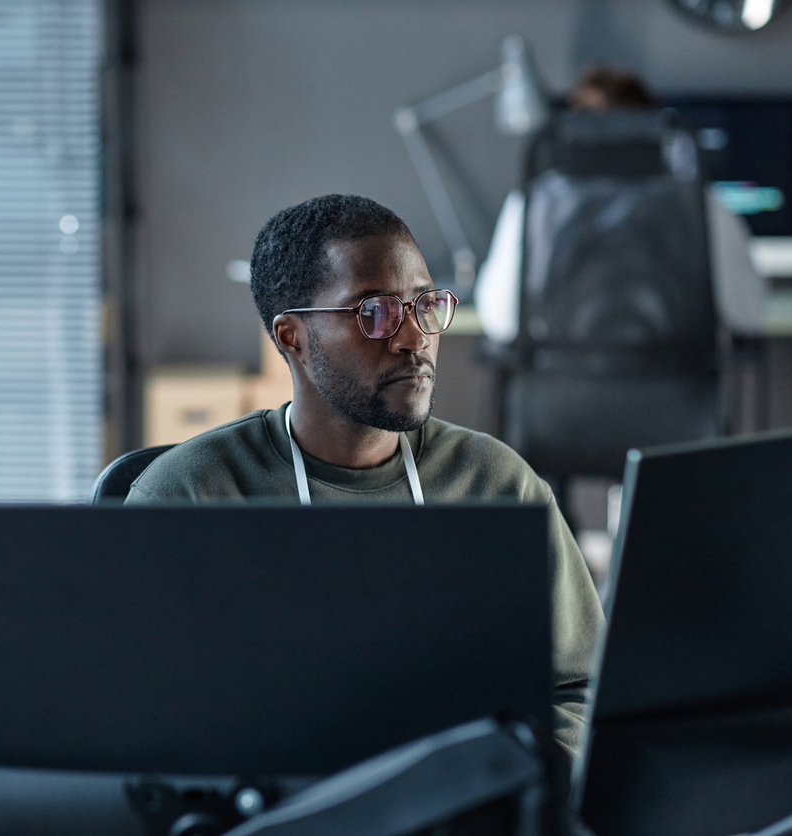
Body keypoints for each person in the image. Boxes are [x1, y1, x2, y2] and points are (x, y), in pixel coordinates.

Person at [125, 194, 602, 759]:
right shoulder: (191, 496)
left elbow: (579, 692)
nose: (413, 338)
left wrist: (508, 782)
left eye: (426, 304)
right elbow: (139, 725)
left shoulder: (497, 486)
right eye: (374, 313)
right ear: (292, 338)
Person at [475, 65, 766, 342]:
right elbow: (750, 311)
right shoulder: (698, 203)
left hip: (561, 386)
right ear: (652, 132)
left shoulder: (536, 204)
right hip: (675, 388)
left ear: (573, 133)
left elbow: (499, 318)